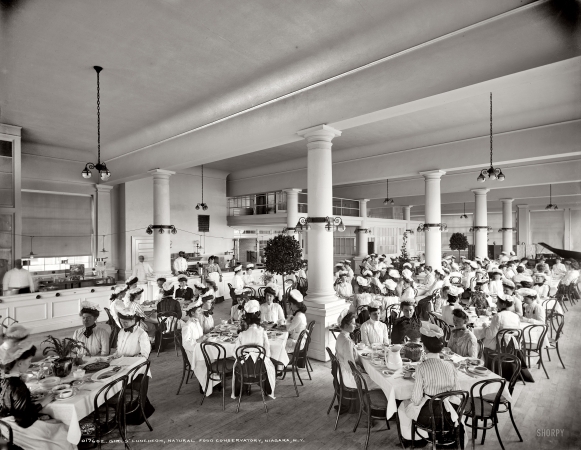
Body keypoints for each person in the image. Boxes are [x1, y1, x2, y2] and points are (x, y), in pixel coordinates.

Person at [0, 339, 75, 450]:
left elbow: (11, 404)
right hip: (20, 431)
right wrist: (43, 403)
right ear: (19, 363)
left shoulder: (4, 380)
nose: (30, 364)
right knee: (64, 429)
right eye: (29, 361)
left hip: (5, 427)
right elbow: (24, 420)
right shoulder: (17, 386)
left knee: (52, 421)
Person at [397, 321, 461, 441]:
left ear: (424, 347)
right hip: (447, 416)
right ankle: (438, 435)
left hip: (429, 417)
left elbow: (416, 399)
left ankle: (414, 440)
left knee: (402, 405)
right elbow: (457, 394)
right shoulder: (450, 366)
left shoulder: (422, 367)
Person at [231, 300, 277, 399]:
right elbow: (267, 351)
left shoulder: (242, 333)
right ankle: (266, 389)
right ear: (258, 316)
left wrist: (243, 358)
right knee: (269, 365)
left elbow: (236, 352)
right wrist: (264, 357)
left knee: (238, 363)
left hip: (244, 368)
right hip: (259, 367)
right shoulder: (261, 331)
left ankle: (241, 388)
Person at [335, 312, 380, 401]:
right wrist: (362, 371)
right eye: (353, 323)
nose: (355, 325)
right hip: (349, 378)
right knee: (379, 381)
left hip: (340, 373)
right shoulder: (347, 341)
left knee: (371, 373)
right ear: (346, 325)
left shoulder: (340, 336)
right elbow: (350, 365)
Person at [181, 300, 205, 366]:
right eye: (199, 311)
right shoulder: (187, 326)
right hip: (194, 354)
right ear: (192, 313)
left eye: (201, 310)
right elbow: (185, 344)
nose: (201, 312)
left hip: (201, 348)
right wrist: (198, 341)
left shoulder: (196, 322)